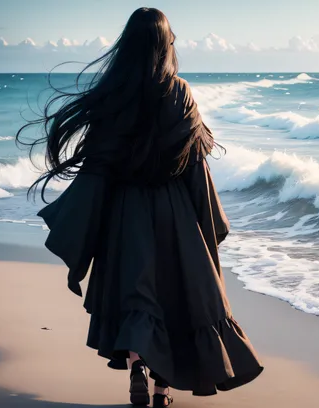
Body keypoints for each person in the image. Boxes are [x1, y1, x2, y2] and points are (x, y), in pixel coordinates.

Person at [16, 7, 263, 407]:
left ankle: (136, 364)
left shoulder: (115, 95)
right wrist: (209, 221)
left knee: (136, 295)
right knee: (172, 298)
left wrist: (80, 222)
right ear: (165, 44)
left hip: (124, 213)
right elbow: (195, 163)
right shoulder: (179, 92)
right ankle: (162, 391)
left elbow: (99, 167)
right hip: (175, 213)